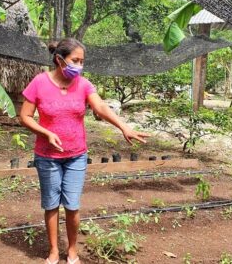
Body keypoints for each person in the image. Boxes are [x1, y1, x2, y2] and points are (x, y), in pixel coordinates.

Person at [20, 38, 150, 264]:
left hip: (76, 156)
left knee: (72, 205)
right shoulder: (40, 82)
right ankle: (53, 251)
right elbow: (24, 116)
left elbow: (100, 107)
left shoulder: (83, 84)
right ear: (60, 60)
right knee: (51, 205)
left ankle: (71, 250)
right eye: (75, 60)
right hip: (47, 156)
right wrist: (46, 133)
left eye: (82, 61)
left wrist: (123, 126)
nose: (79, 66)